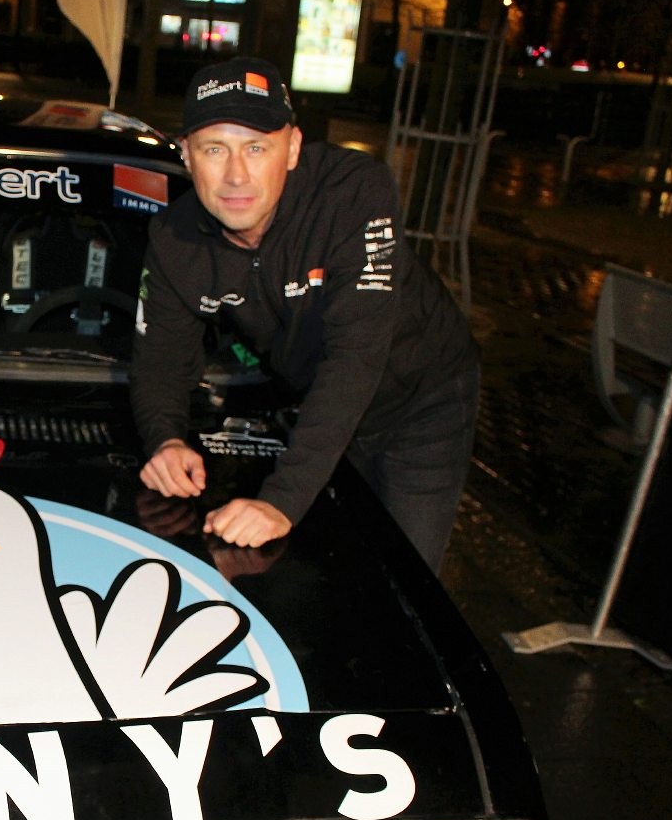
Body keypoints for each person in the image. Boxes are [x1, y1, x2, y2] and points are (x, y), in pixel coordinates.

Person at [131, 57, 479, 574]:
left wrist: (282, 501)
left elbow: (356, 357)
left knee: (402, 574)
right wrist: (166, 438)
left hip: (420, 404)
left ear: (292, 148)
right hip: (312, 406)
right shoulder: (173, 239)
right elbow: (160, 357)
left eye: (256, 147)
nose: (236, 175)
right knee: (319, 575)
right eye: (213, 149)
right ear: (186, 155)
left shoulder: (354, 193)